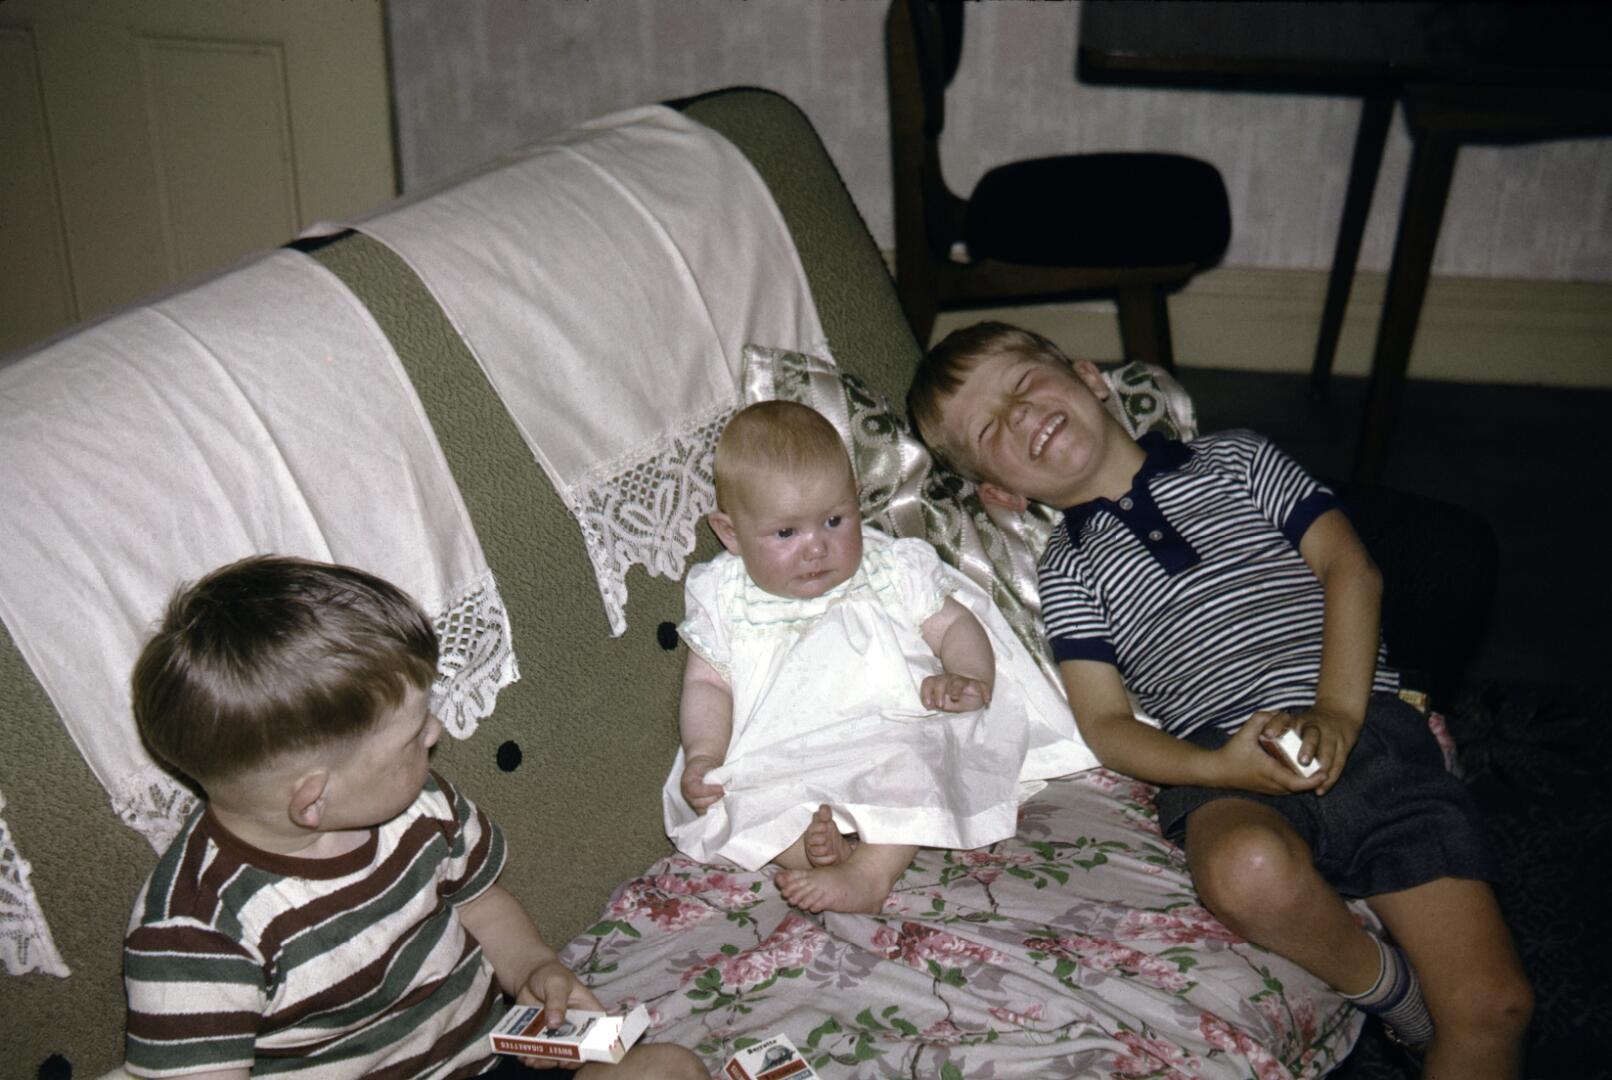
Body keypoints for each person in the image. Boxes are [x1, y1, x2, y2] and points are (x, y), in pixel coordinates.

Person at [906, 322, 1532, 1076]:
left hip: (1364, 726)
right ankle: (1390, 991)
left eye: (1023, 384)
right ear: (1002, 494)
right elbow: (1105, 724)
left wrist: (1338, 713)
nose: (1018, 416)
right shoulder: (1068, 570)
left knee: (1495, 1007)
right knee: (1244, 869)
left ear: (1090, 377)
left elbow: (1351, 570)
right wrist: (1219, 769)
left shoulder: (1237, 457)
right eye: (989, 429)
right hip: (1227, 757)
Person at [123, 555, 707, 1080]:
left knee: (670, 1069)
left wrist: (533, 968)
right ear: (313, 801)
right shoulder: (197, 931)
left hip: (491, 1057)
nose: (436, 732)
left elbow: (478, 902)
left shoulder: (421, 805)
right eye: (412, 735)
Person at [664, 400, 1091, 916]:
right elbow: (708, 685)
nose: (816, 548)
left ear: (855, 502)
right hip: (780, 751)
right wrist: (704, 755)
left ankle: (872, 871)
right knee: (737, 804)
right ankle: (814, 853)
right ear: (731, 533)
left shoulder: (887, 567)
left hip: (889, 727)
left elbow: (954, 623)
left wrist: (966, 675)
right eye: (786, 533)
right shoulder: (724, 594)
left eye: (833, 520)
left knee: (920, 759)